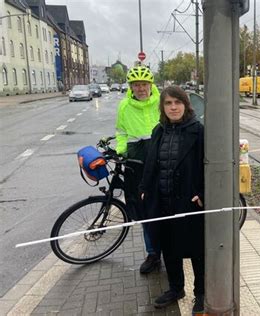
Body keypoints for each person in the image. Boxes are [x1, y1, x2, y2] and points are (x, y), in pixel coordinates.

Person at [139, 86, 205, 313]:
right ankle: (176, 288)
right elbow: (151, 164)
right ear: (163, 107)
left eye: (178, 102)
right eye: (168, 103)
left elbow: (208, 166)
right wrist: (144, 189)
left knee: (197, 250)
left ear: (186, 105)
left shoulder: (198, 131)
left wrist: (203, 193)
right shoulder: (159, 131)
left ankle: (201, 293)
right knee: (169, 247)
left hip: (189, 200)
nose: (173, 107)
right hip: (162, 200)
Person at [115, 65, 162, 274]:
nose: (141, 88)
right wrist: (120, 150)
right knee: (144, 209)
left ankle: (172, 249)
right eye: (136, 85)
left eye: (144, 84)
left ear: (150, 85)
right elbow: (121, 132)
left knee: (167, 206)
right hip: (137, 158)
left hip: (161, 156)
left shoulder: (162, 102)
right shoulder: (124, 106)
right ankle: (152, 253)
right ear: (131, 87)